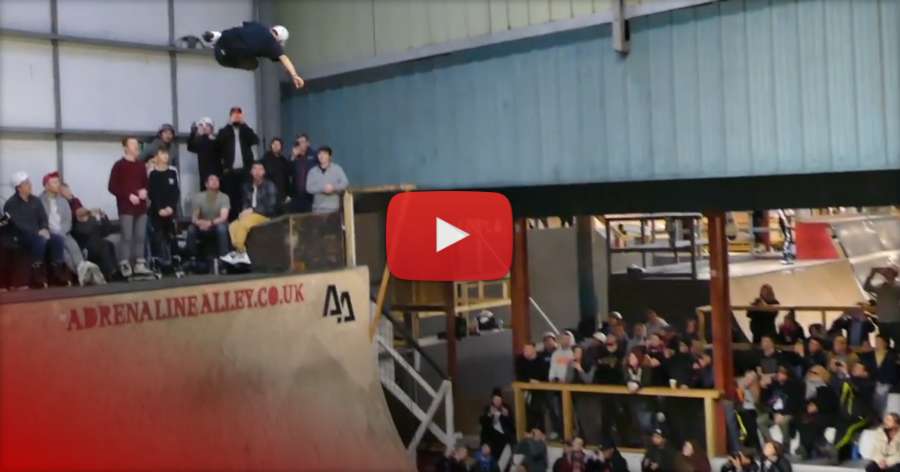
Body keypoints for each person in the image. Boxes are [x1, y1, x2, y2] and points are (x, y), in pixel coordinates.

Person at [4, 172, 69, 287]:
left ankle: (57, 275)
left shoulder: (35, 200)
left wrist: (44, 228)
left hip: (38, 233)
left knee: (57, 239)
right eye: (26, 183)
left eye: (29, 182)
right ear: (18, 188)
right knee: (40, 240)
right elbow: (19, 224)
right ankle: (36, 276)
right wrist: (37, 232)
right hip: (21, 236)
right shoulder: (11, 204)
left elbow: (43, 218)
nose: (30, 185)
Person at [202, 22, 304, 88]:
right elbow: (284, 58)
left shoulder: (258, 26)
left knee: (235, 35)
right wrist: (294, 75)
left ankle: (217, 36)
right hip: (224, 57)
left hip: (224, 39)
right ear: (279, 40)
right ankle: (223, 45)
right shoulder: (272, 45)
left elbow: (241, 26)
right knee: (254, 64)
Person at [108, 136, 152, 278]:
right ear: (125, 147)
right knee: (127, 236)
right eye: (133, 144)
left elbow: (146, 183)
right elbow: (112, 186)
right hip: (126, 207)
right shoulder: (118, 165)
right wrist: (128, 195)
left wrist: (145, 191)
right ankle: (124, 263)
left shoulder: (140, 165)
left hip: (141, 207)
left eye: (137, 145)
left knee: (140, 236)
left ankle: (139, 263)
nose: (136, 147)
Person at [220, 162, 278, 265]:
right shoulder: (247, 186)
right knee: (233, 226)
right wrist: (243, 212)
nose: (257, 172)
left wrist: (253, 210)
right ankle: (241, 252)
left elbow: (271, 206)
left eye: (260, 169)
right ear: (251, 172)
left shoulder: (269, 185)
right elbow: (245, 203)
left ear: (264, 172)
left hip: (265, 215)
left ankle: (240, 252)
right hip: (250, 215)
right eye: (255, 169)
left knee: (243, 224)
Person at [216, 106, 259, 220]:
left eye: (238, 114)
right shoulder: (224, 131)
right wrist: (229, 125)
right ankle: (233, 227)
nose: (236, 117)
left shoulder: (245, 130)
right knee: (231, 200)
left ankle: (246, 222)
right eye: (234, 115)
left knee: (246, 198)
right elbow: (218, 143)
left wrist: (243, 124)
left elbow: (255, 140)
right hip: (230, 172)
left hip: (245, 171)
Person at [39, 171, 85, 275]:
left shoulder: (63, 201)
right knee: (64, 253)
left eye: (58, 182)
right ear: (46, 186)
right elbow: (41, 221)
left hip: (64, 233)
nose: (58, 185)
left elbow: (67, 220)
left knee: (74, 248)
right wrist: (53, 232)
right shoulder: (39, 201)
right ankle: (79, 274)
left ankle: (83, 270)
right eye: (54, 183)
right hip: (50, 235)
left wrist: (62, 232)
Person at [795, 365, 838, 460]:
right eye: (810, 372)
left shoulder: (826, 388)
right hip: (808, 415)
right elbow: (798, 404)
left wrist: (818, 406)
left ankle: (806, 447)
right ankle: (814, 448)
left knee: (812, 421)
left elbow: (832, 404)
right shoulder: (803, 388)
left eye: (814, 373)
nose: (811, 374)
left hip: (826, 415)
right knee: (803, 419)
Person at [187, 174, 231, 264]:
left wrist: (210, 223)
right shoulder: (198, 197)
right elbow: (194, 218)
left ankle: (224, 259)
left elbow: (223, 217)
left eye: (217, 180)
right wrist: (200, 223)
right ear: (206, 184)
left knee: (222, 228)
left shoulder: (224, 197)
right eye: (212, 180)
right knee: (191, 229)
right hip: (202, 225)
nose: (215, 182)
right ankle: (192, 259)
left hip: (217, 224)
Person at [147, 149, 180, 266]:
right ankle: (157, 261)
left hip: (170, 210)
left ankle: (176, 260)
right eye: (162, 154)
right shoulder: (152, 173)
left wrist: (170, 207)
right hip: (156, 211)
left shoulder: (173, 171)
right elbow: (152, 193)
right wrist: (159, 209)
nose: (165, 156)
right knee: (157, 236)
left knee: (172, 235)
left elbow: (175, 191)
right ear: (156, 156)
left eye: (167, 153)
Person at [757, 365, 803, 445]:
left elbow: (794, 403)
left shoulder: (795, 385)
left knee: (783, 421)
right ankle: (772, 444)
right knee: (760, 420)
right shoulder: (774, 385)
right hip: (774, 413)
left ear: (787, 374)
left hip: (788, 413)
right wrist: (763, 388)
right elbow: (764, 402)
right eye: (778, 372)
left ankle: (786, 446)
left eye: (782, 372)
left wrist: (782, 414)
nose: (778, 374)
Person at [862, 334, 899, 416]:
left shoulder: (892, 355)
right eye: (876, 341)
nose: (877, 343)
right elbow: (865, 369)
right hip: (872, 383)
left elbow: (894, 372)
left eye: (879, 341)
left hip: (888, 383)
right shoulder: (869, 355)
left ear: (885, 343)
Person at [306, 146, 348, 214]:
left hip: (333, 208)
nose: (321, 156)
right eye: (319, 154)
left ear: (330, 156)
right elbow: (309, 188)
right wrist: (323, 188)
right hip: (317, 208)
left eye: (324, 153)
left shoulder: (337, 169)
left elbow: (345, 183)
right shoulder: (312, 171)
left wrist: (333, 188)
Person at [866, 266, 900, 347]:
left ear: (894, 274)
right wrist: (872, 274)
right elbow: (866, 287)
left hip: (895, 321)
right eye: (886, 271)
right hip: (882, 321)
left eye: (889, 271)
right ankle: (887, 359)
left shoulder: (898, 286)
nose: (886, 273)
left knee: (898, 344)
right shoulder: (880, 287)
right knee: (883, 345)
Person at [479, 390, 515, 463]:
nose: (497, 401)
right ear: (492, 400)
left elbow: (512, 426)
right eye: (495, 399)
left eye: (499, 399)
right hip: (491, 440)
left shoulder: (506, 408)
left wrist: (507, 416)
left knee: (505, 461)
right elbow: (482, 422)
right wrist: (489, 415)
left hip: (504, 439)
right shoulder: (488, 408)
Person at [188, 117, 221, 190]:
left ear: (212, 128)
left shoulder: (216, 140)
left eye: (207, 125)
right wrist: (193, 132)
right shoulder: (200, 141)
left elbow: (220, 150)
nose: (205, 128)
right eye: (203, 126)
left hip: (216, 175)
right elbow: (190, 147)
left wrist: (209, 137)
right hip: (204, 176)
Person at [287, 134, 318, 213]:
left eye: (303, 142)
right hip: (297, 194)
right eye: (299, 142)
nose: (301, 144)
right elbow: (288, 172)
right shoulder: (293, 156)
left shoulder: (315, 155)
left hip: (311, 194)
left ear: (308, 143)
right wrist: (293, 157)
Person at [260, 137, 291, 207]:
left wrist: (288, 194)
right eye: (274, 144)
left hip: (282, 194)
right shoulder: (265, 159)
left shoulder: (283, 160)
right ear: (271, 145)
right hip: (269, 194)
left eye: (278, 144)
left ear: (281, 147)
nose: (275, 146)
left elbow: (287, 177)